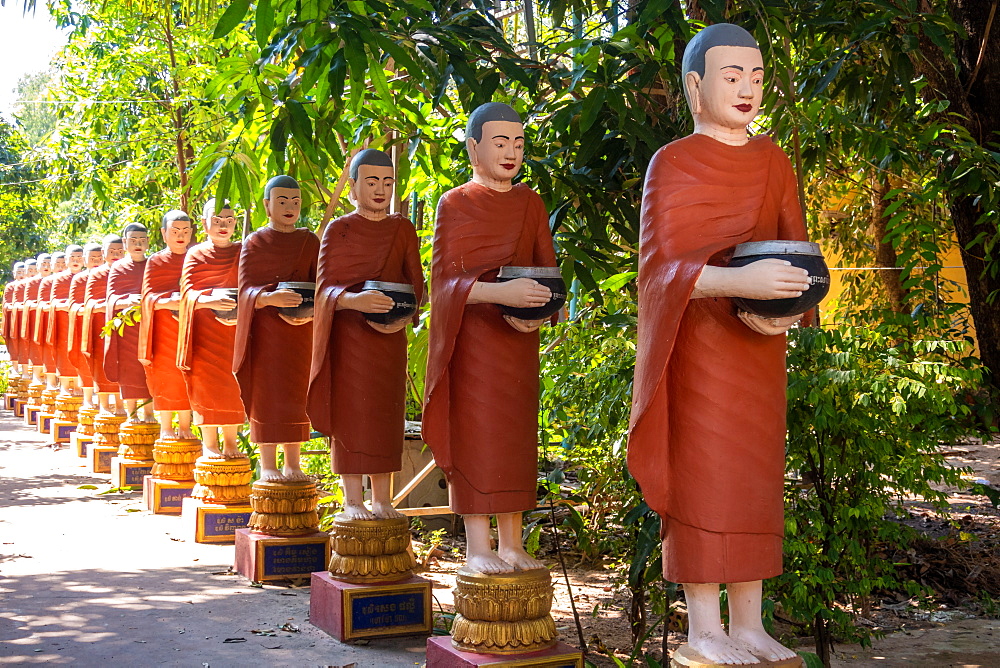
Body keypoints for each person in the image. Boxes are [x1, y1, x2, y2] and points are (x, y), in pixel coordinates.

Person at [627, 23, 810, 665]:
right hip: (697, 348)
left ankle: (751, 622)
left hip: (760, 351)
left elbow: (800, 255)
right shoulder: (672, 163)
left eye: (757, 77)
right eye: (731, 77)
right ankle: (705, 626)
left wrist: (787, 307)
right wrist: (738, 279)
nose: (747, 89)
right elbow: (659, 271)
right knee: (705, 480)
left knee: (754, 481)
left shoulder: (774, 161)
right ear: (695, 85)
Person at [424, 102, 558, 573]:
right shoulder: (455, 203)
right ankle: (479, 547)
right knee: (478, 436)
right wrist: (499, 291)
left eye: (519, 144)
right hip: (473, 342)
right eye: (500, 143)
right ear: (473, 146)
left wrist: (540, 311)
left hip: (519, 341)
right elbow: (443, 286)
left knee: (515, 439)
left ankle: (513, 543)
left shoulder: (530, 203)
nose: (511, 153)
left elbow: (548, 274)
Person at [308, 149, 425, 519]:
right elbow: (323, 290)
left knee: (385, 415)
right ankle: (353, 500)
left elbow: (415, 282)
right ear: (353, 188)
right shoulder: (339, 229)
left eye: (387, 183)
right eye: (371, 182)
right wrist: (355, 301)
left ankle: (383, 501)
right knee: (353, 415)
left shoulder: (402, 228)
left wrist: (404, 314)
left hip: (389, 338)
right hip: (350, 339)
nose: (380, 190)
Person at [234, 175, 318, 482]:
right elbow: (244, 292)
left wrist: (311, 312)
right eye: (282, 202)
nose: (290, 208)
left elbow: (321, 284)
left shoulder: (309, 241)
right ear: (267, 206)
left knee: (298, 394)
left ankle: (293, 463)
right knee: (268, 395)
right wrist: (269, 297)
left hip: (301, 332)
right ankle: (268, 464)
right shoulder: (255, 243)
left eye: (295, 202)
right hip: (268, 334)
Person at [177, 199, 246, 458]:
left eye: (229, 220)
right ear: (204, 223)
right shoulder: (196, 254)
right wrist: (207, 300)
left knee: (233, 386)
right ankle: (210, 444)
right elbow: (186, 293)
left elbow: (251, 286)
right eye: (217, 220)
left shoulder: (243, 251)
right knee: (207, 385)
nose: (223, 226)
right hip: (205, 332)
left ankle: (231, 443)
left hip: (235, 332)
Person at [139, 211, 194, 440]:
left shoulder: (196, 258)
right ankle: (166, 428)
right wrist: (166, 301)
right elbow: (147, 296)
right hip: (164, 328)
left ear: (191, 232)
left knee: (187, 375)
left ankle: (185, 427)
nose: (180, 236)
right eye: (174, 231)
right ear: (164, 233)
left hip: (190, 327)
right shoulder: (156, 261)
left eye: (184, 231)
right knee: (165, 375)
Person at [105, 224, 154, 422]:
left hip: (149, 326)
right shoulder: (118, 267)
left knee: (149, 367)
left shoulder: (153, 264)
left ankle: (149, 411)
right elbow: (111, 299)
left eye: (142, 240)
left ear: (148, 242)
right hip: (127, 327)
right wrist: (127, 301)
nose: (138, 244)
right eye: (133, 241)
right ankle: (132, 412)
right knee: (129, 369)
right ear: (125, 243)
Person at [82, 236, 126, 414]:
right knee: (102, 364)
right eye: (111, 251)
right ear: (103, 253)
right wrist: (112, 305)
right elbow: (89, 303)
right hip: (101, 327)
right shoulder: (96, 274)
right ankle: (104, 405)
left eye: (119, 251)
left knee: (122, 365)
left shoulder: (127, 271)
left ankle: (121, 405)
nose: (116, 255)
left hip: (125, 326)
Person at [68, 244, 104, 408]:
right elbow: (73, 305)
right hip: (84, 326)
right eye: (92, 258)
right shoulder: (79, 279)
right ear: (85, 260)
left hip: (104, 325)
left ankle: (106, 399)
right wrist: (89, 308)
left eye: (99, 258)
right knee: (85, 361)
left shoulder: (107, 276)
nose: (96, 261)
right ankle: (88, 398)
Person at [48, 245, 85, 397]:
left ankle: (78, 385)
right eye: (72, 258)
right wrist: (69, 305)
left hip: (82, 321)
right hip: (64, 322)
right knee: (64, 353)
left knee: (80, 354)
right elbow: (54, 302)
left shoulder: (87, 277)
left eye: (79, 258)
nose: (76, 261)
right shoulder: (60, 278)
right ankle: (64, 385)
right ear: (66, 260)